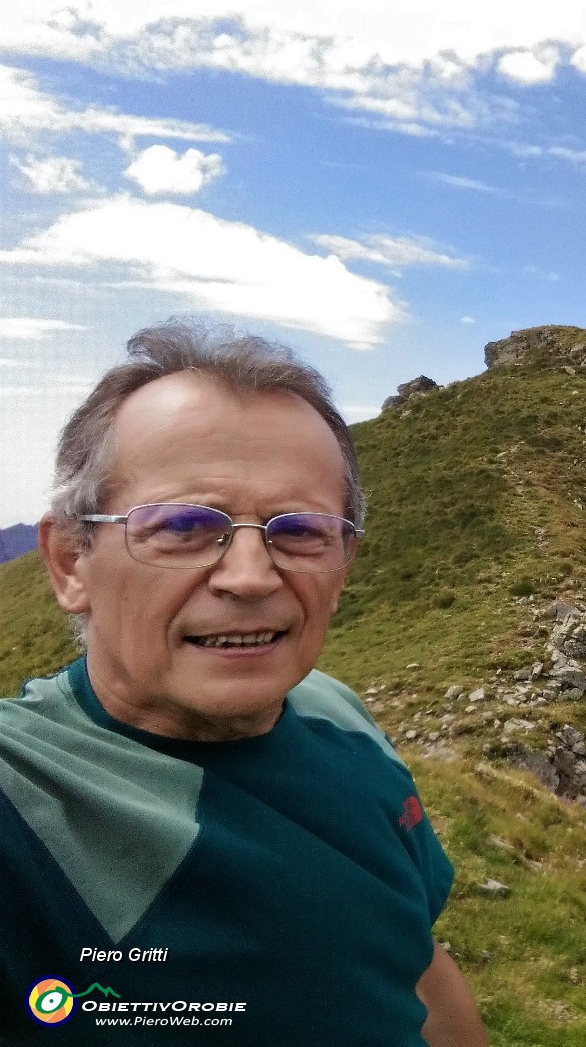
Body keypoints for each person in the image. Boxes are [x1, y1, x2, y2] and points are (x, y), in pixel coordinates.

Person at [0, 320, 488, 1045]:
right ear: (72, 561)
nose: (252, 576)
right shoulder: (24, 794)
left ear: (343, 564)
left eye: (301, 530)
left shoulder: (339, 713)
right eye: (184, 526)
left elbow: (414, 962)